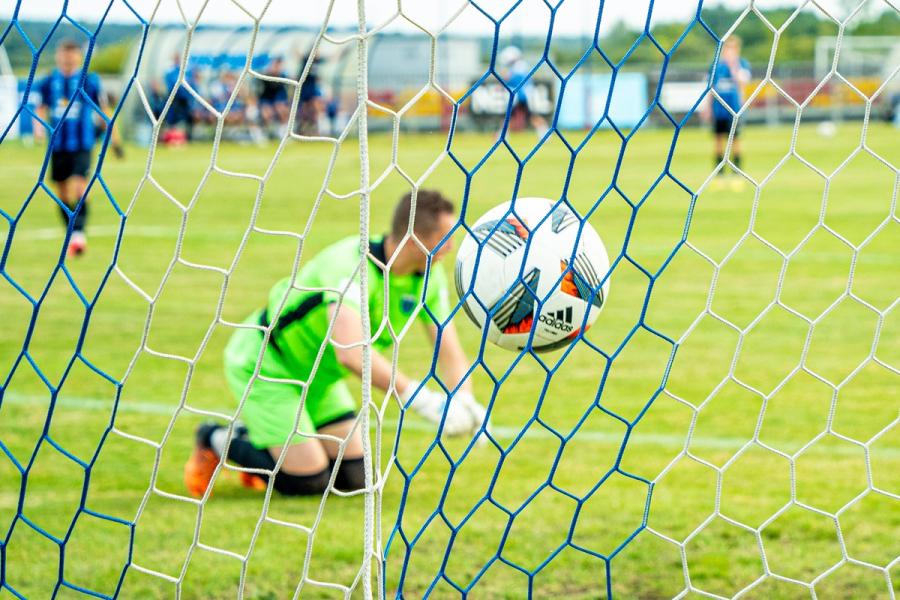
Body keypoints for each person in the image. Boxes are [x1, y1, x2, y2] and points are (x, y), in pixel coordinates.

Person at [184, 190, 489, 498]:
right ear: (414, 240)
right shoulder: (350, 267)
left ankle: (280, 446)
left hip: (320, 377)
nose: (452, 246)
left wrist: (465, 401)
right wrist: (424, 402)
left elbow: (449, 352)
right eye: (445, 238)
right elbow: (352, 354)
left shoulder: (427, 277)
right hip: (269, 364)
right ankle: (215, 438)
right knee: (308, 480)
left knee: (355, 479)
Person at [34, 39, 122, 258]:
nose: (68, 58)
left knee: (81, 186)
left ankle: (80, 233)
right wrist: (38, 128)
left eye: (72, 54)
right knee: (62, 191)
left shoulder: (89, 81)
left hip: (83, 143)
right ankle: (72, 234)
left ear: (78, 57)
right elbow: (41, 107)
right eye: (64, 54)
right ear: (58, 56)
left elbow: (103, 110)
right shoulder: (48, 81)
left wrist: (115, 139)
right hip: (58, 144)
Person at [709, 36, 751, 190]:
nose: (729, 51)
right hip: (718, 109)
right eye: (727, 47)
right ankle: (719, 175)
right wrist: (707, 108)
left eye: (732, 48)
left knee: (735, 142)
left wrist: (733, 65)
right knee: (718, 142)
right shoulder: (715, 66)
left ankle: (736, 175)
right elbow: (710, 88)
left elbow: (743, 83)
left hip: (734, 110)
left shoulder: (742, 65)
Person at [497, 45, 549, 139]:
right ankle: (502, 136)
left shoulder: (519, 66)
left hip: (523, 95)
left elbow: (516, 80)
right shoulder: (519, 65)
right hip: (522, 95)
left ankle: (544, 133)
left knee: (531, 115)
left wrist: (504, 80)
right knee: (511, 116)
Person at [258, 56, 290, 138]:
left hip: (278, 101)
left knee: (282, 109)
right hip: (266, 101)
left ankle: (283, 131)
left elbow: (284, 95)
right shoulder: (265, 76)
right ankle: (265, 133)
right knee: (266, 112)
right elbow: (261, 93)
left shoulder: (283, 77)